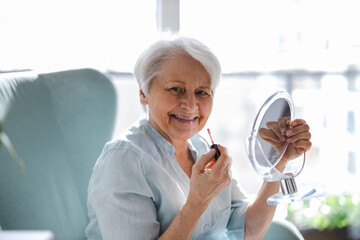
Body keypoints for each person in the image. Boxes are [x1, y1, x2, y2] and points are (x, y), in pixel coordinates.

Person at [86, 37, 312, 240]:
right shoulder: (124, 160)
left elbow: (247, 231)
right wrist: (198, 201)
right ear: (143, 93)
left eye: (202, 92)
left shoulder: (202, 147)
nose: (191, 104)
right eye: (176, 89)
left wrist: (278, 161)